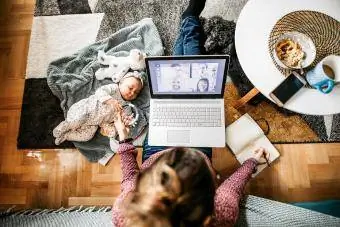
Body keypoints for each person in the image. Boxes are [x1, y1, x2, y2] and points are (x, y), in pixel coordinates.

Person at [112, 0, 269, 226]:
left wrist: (124, 138)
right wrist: (252, 161)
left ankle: (189, 22)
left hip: (158, 146)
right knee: (194, 77)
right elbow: (232, 188)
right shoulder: (221, 215)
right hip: (198, 144)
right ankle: (189, 21)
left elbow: (129, 177)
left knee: (177, 78)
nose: (179, 152)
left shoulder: (126, 214)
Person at [52, 71, 144, 145]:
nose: (132, 93)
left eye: (136, 92)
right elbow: (100, 92)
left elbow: (121, 121)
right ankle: (64, 126)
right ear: (120, 83)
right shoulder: (114, 89)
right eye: (130, 88)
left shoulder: (127, 106)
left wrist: (126, 120)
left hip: (93, 123)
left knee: (87, 136)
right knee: (78, 120)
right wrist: (109, 100)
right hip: (86, 110)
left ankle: (67, 136)